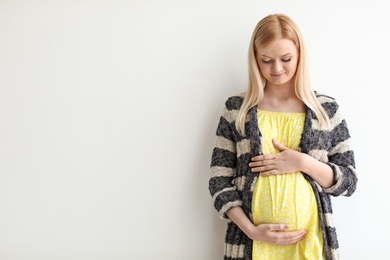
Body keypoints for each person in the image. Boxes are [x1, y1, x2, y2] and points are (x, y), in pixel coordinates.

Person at [208, 13, 357, 260]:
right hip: (251, 246)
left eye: (286, 59)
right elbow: (219, 182)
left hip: (310, 244)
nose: (276, 69)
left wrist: (303, 163)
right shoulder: (237, 109)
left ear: (300, 55)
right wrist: (252, 231)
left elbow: (349, 181)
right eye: (266, 60)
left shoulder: (326, 110)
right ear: (255, 60)